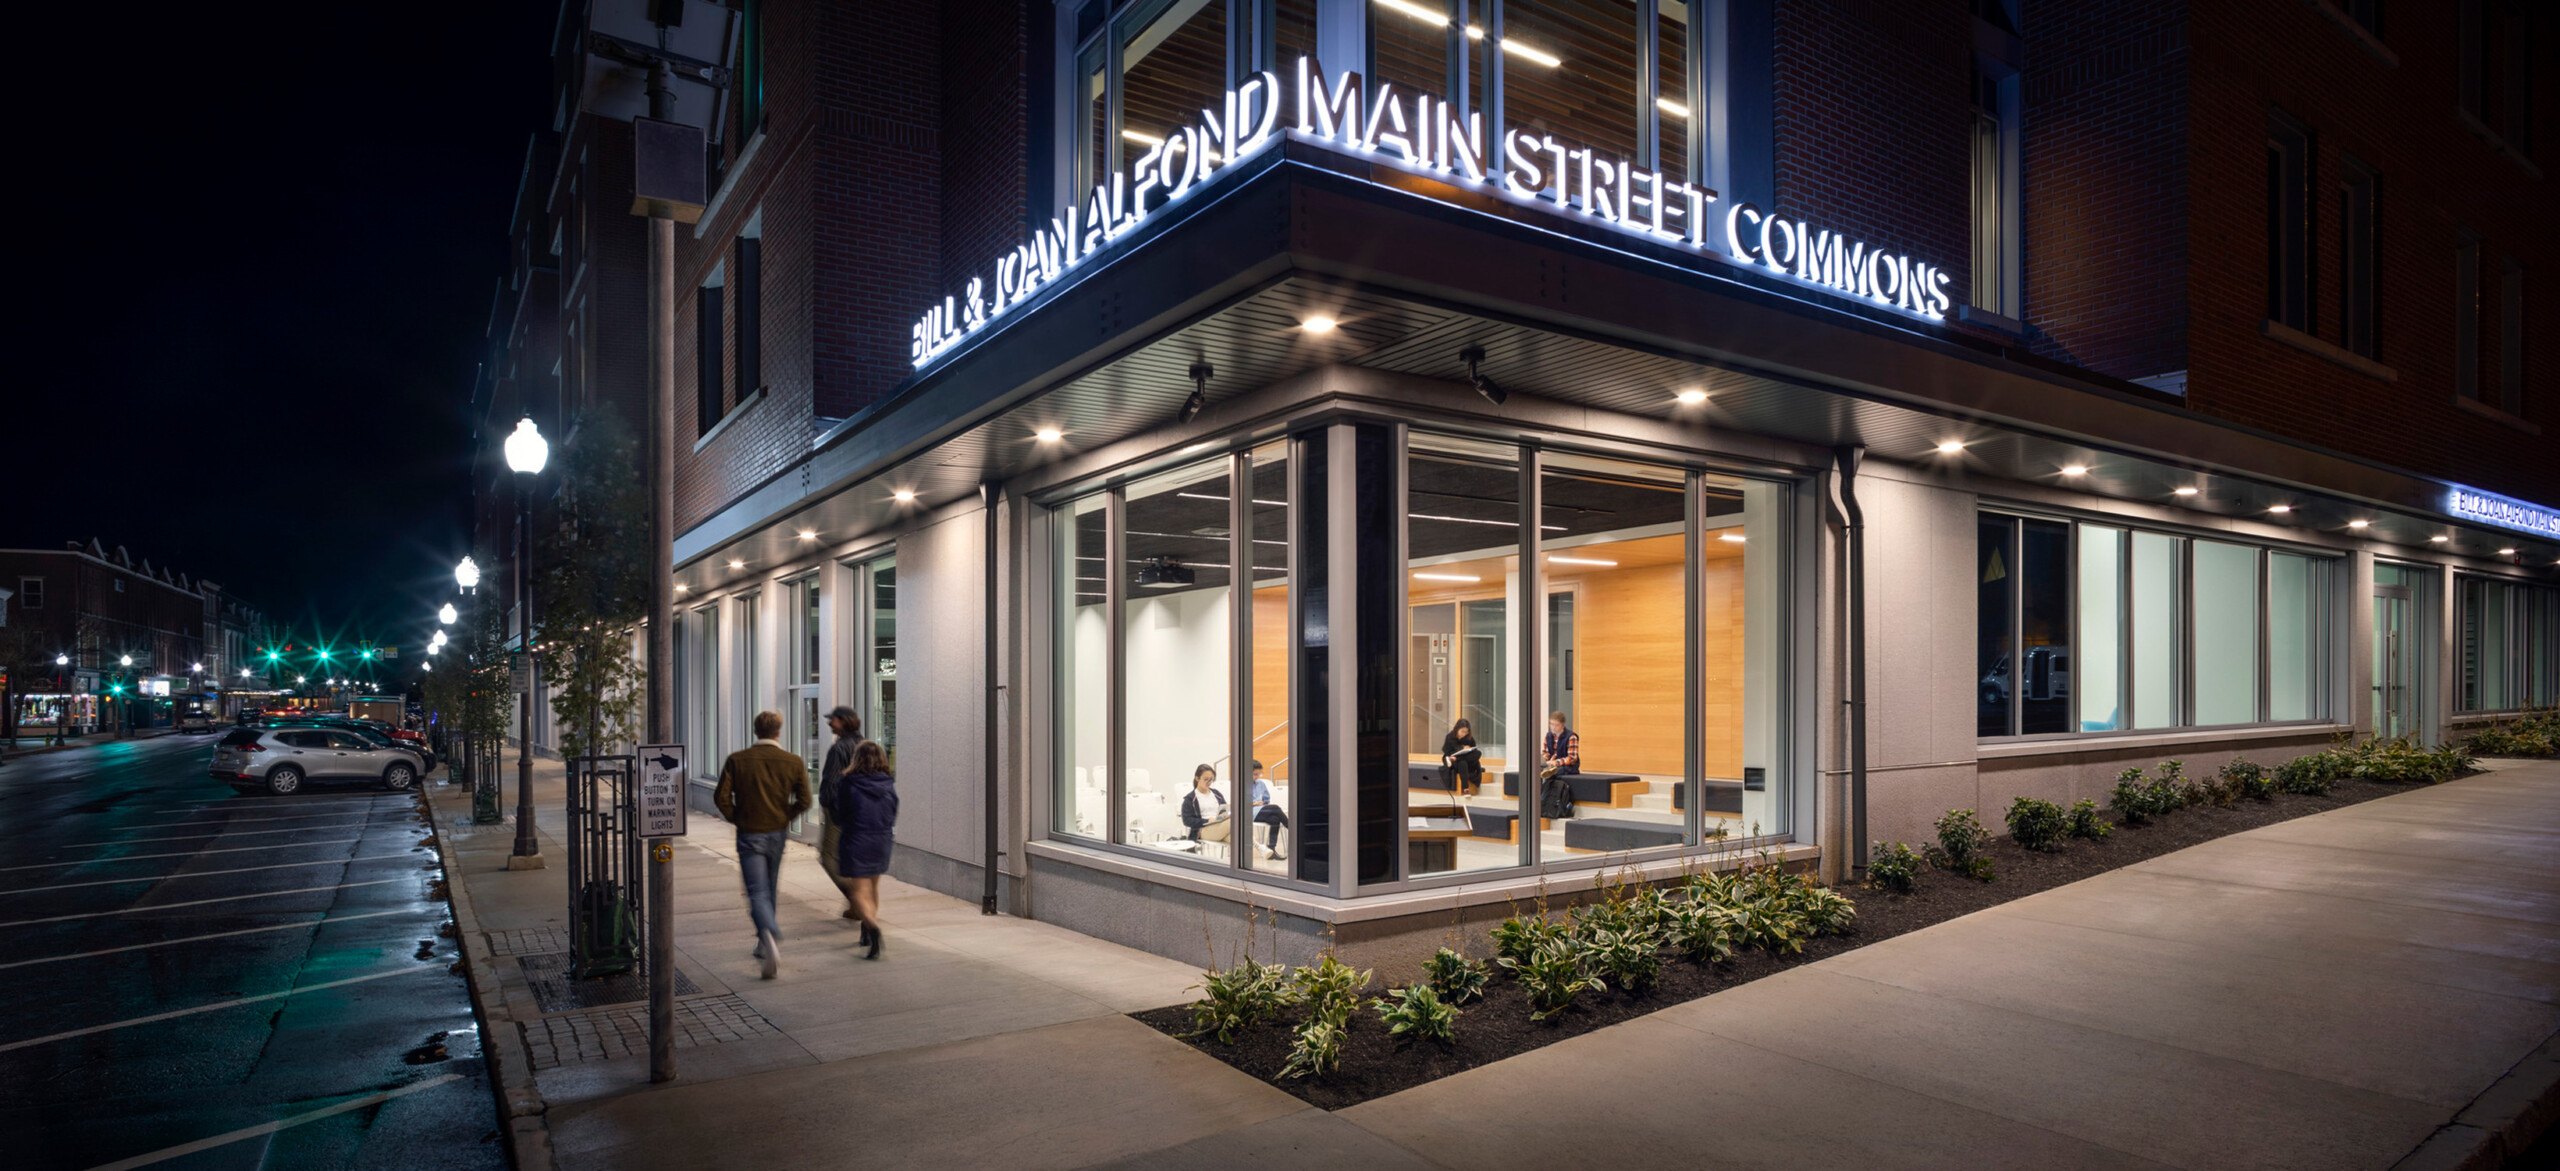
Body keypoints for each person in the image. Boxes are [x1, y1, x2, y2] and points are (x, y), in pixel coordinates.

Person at [714, 710, 811, 979]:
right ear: (778, 731)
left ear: (756, 730)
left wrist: (738, 817)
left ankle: (768, 934)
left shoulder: (737, 760)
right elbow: (805, 800)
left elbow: (721, 797)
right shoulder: (792, 762)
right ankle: (764, 940)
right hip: (777, 834)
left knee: (756, 891)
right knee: (770, 886)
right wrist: (784, 817)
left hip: (750, 833)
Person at [822, 737, 899, 960]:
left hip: (857, 839)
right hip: (881, 840)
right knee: (873, 887)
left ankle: (872, 927)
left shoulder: (849, 782)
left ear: (857, 758)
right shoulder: (887, 783)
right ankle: (866, 929)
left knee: (857, 891)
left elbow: (842, 812)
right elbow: (893, 811)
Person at [816, 706, 862, 916]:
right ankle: (856, 906)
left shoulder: (839, 748)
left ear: (844, 721)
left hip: (838, 812)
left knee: (828, 857)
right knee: (851, 859)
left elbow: (832, 783)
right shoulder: (863, 744)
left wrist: (827, 804)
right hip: (859, 811)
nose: (828, 723)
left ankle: (859, 901)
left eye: (832, 719)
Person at [1539, 711, 1581, 822]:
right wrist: (1548, 759)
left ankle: (1547, 802)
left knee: (1557, 771)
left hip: (1568, 767)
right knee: (1537, 770)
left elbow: (1572, 758)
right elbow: (1545, 752)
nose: (1553, 727)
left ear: (1562, 725)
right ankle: (1539, 800)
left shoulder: (1571, 736)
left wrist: (1556, 762)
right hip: (1551, 764)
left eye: (1556, 724)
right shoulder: (1548, 736)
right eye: (1551, 724)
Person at [1179, 763, 1229, 849]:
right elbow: (1187, 821)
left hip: (1220, 826)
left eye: (1211, 780)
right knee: (1235, 822)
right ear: (1197, 778)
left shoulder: (1217, 794)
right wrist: (1207, 820)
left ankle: (1257, 852)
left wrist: (1227, 815)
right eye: (1206, 779)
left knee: (1238, 837)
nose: (1209, 782)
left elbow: (1224, 810)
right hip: (1203, 830)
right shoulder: (1190, 799)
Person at [1247, 759, 1287, 861]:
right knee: (1276, 808)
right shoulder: (1241, 784)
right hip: (1248, 812)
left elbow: (1266, 800)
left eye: (1258, 774)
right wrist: (1252, 803)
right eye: (1255, 774)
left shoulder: (1261, 783)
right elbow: (1237, 803)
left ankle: (1271, 849)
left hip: (1262, 810)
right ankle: (1295, 829)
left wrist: (1263, 803)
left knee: (1275, 819)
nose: (1257, 777)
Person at [1440, 719, 1484, 798]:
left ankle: (1457, 759)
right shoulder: (1450, 737)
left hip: (1464, 758)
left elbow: (1474, 750)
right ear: (1457, 729)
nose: (1464, 734)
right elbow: (1447, 751)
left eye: (1466, 732)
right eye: (1462, 731)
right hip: (1450, 758)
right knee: (1462, 763)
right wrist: (1462, 748)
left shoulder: (1469, 737)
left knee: (1478, 753)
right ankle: (1465, 788)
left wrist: (1469, 749)